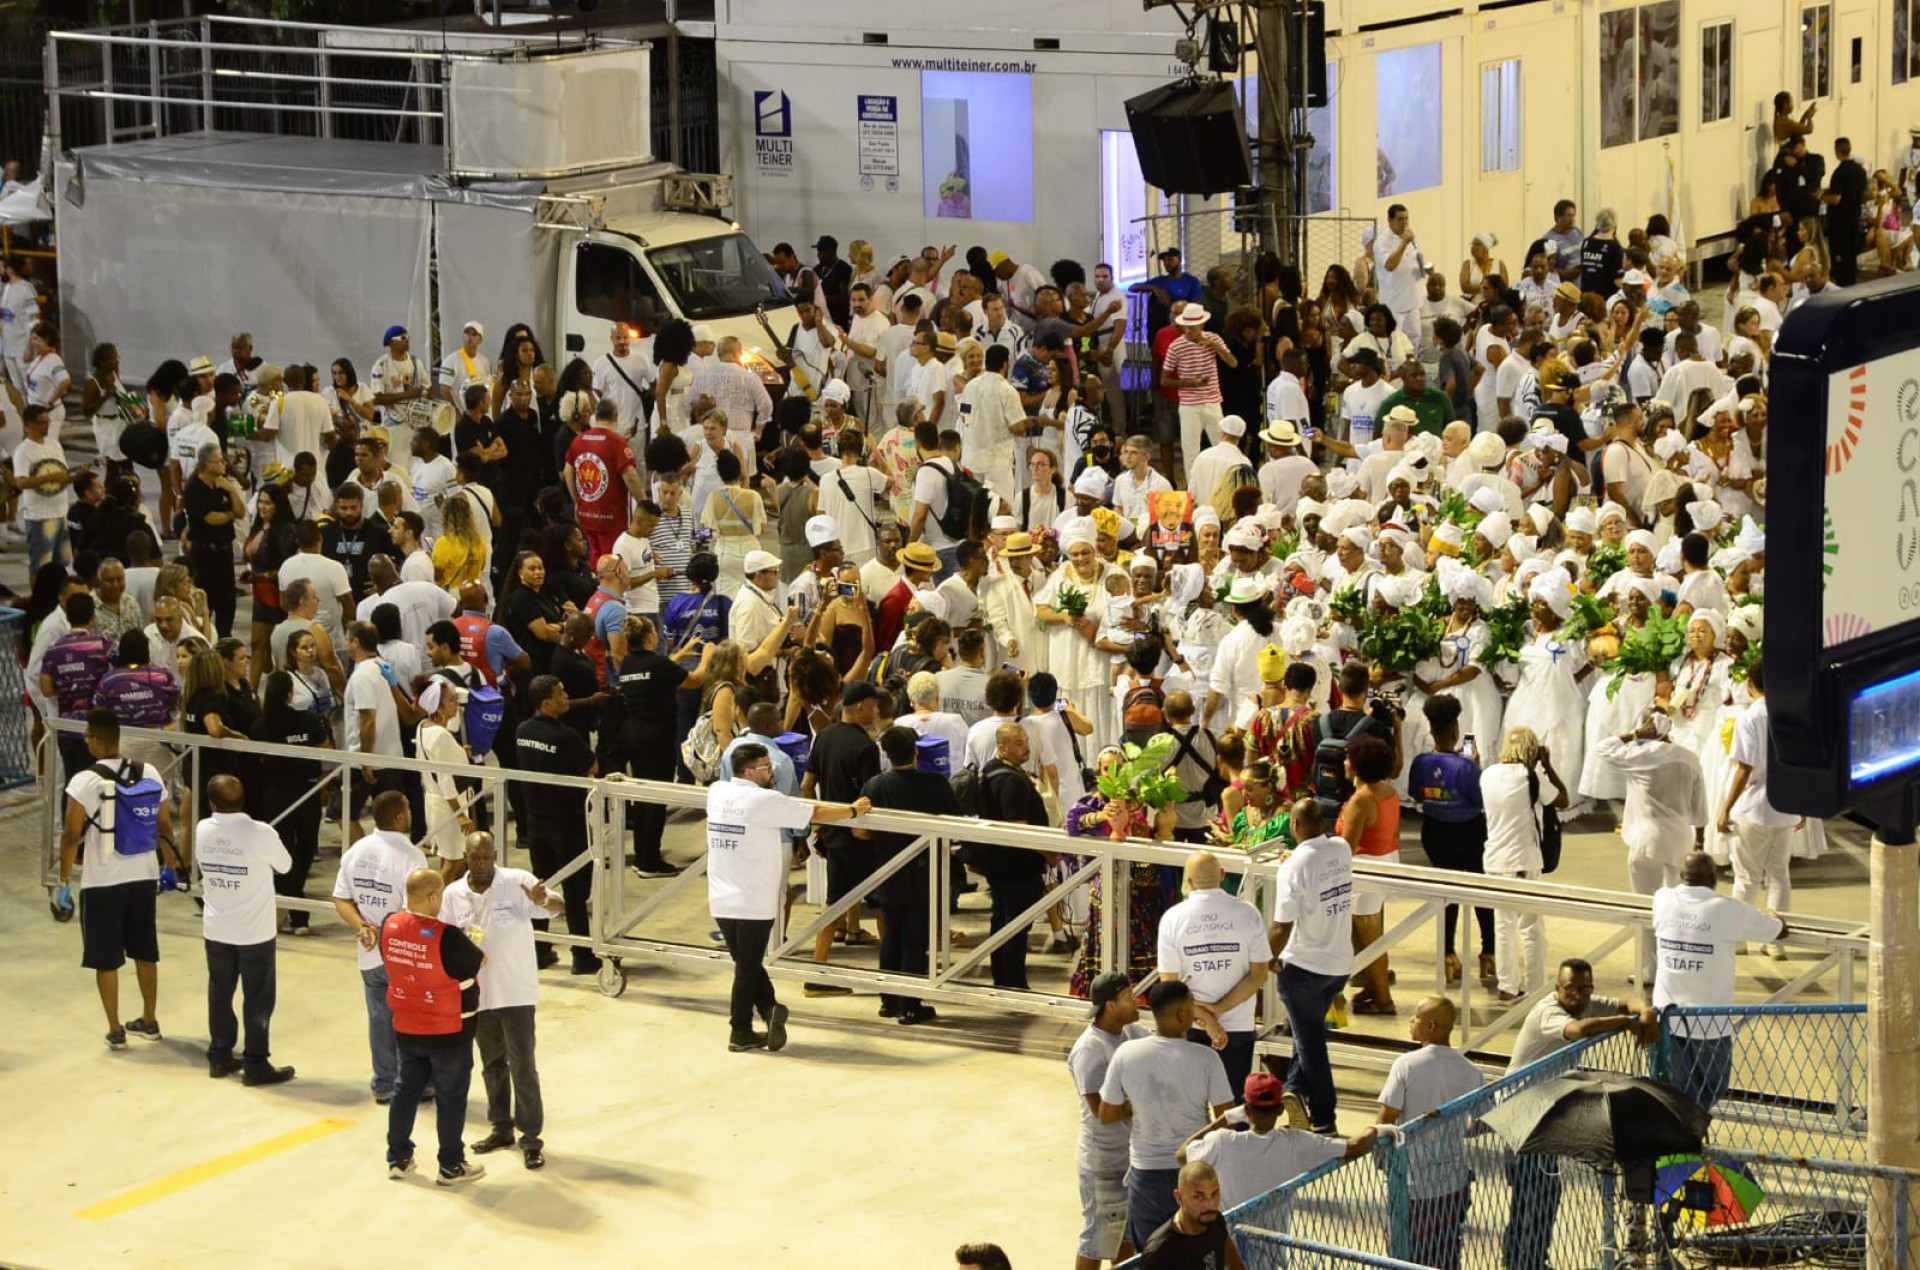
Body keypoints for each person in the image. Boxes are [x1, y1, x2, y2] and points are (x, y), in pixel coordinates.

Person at [705, 742, 870, 1052]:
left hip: (721, 897)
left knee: (746, 962)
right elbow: (815, 811)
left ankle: (770, 1009)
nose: (774, 772)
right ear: (751, 772)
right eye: (767, 767)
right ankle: (739, 1031)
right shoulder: (764, 800)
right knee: (747, 967)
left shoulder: (717, 792)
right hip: (753, 900)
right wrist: (852, 810)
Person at [1503, 959, 1657, 1270]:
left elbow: (1629, 1001)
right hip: (1521, 1114)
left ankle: (1529, 1261)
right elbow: (1578, 1030)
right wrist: (1624, 1023)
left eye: (1585, 989)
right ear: (1557, 987)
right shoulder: (1549, 1012)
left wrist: (1646, 1012)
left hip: (1544, 1112)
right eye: (1570, 988)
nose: (1578, 995)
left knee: (1543, 1194)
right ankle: (1522, 1262)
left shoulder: (1585, 1003)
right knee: (1533, 1195)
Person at [439, 831, 565, 1170]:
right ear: (465, 856)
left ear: (495, 854)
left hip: (516, 992)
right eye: (474, 856)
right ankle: (501, 1127)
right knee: (492, 1064)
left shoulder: (517, 882)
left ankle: (531, 1138)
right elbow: (445, 939)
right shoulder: (453, 894)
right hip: (479, 994)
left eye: (486, 856)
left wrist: (543, 901)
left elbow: (557, 907)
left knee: (523, 1065)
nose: (481, 862)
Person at [58, 709, 181, 1049]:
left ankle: (115, 1028)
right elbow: (165, 826)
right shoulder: (150, 772)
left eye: (87, 736)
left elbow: (70, 834)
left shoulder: (85, 781)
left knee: (105, 957)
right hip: (144, 875)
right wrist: (169, 865)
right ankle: (150, 1019)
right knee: (145, 950)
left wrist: (64, 881)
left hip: (102, 880)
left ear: (96, 740)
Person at [1097, 980, 1235, 1253]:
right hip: (1195, 1172)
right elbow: (1227, 1120)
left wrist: (1142, 1103)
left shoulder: (1127, 1053)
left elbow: (1107, 1113)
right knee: (1200, 1254)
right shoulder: (1206, 1059)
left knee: (1151, 1255)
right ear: (1184, 1016)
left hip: (1145, 1175)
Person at [1653, 852, 1787, 1111]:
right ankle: (1691, 1135)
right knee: (1710, 1087)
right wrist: (1772, 914)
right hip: (1710, 1022)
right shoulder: (1728, 909)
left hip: (1667, 1017)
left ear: (1682, 876)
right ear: (1714, 879)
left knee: (1672, 1092)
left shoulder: (1663, 899)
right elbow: (1779, 931)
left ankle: (1681, 1138)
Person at [381, 867, 488, 1186]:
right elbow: (479, 960)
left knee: (406, 1090)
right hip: (447, 1031)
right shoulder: (447, 936)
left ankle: (398, 1157)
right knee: (451, 1096)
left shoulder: (390, 924)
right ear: (431, 897)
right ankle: (451, 1165)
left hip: (407, 1026)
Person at [1592, 709, 1710, 984]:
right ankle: (1677, 968)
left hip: (1647, 838)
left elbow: (1603, 747)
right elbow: (1700, 810)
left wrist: (1634, 735)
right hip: (1682, 838)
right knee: (1680, 909)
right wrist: (1699, 841)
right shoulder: (1689, 757)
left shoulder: (1640, 755)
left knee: (1647, 908)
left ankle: (1650, 969)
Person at [859, 724, 965, 1025]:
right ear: (916, 751)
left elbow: (860, 830)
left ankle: (888, 999)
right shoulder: (935, 784)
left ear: (887, 754)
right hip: (924, 871)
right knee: (915, 938)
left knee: (892, 933)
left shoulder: (874, 786)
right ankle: (910, 1004)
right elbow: (957, 823)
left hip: (889, 870)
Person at [195, 773, 295, 1085]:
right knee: (258, 997)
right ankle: (255, 1063)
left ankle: (220, 1055)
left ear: (211, 803)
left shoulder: (202, 829)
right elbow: (286, 865)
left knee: (220, 992)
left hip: (217, 926)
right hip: (254, 931)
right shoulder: (260, 833)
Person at [332, 789, 428, 1104]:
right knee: (411, 1018)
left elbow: (341, 898)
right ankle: (413, 1083)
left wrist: (363, 927)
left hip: (369, 954)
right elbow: (412, 911)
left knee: (379, 1019)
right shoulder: (411, 857)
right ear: (400, 818)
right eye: (409, 810)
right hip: (400, 954)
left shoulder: (356, 851)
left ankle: (385, 1082)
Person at [1376, 998, 1484, 1267]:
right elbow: (1486, 1121)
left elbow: (1385, 1122)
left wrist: (1381, 1161)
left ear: (1431, 1026)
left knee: (1405, 1255)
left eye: (1415, 1016)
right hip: (1453, 1184)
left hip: (1412, 1186)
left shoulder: (1406, 1065)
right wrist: (1457, 1128)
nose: (1411, 1021)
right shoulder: (1470, 1071)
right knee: (1445, 1253)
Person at [1267, 798, 1352, 1134]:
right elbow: (1318, 868)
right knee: (1307, 1034)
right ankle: (1293, 1090)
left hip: (1303, 968)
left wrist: (1265, 959)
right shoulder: (1342, 849)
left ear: (1294, 825)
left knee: (1311, 1044)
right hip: (1338, 967)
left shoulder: (1293, 868)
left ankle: (1323, 1116)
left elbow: (1280, 927)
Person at [1157, 851, 1268, 1101]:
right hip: (1238, 1024)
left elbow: (1170, 986)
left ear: (1189, 881)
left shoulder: (1172, 918)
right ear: (1221, 875)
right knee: (1233, 1105)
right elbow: (1260, 974)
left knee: (1190, 1105)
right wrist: (1220, 1010)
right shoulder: (1247, 913)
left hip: (1190, 1023)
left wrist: (1207, 1019)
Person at [1179, 1071, 1375, 1212]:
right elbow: (1356, 1146)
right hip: (1272, 1248)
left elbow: (1181, 1155)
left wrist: (1225, 1119)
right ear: (1281, 1109)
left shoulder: (1222, 1142)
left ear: (1246, 1110)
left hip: (1230, 1247)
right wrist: (1378, 1129)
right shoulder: (1297, 1143)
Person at [513, 674, 599, 975]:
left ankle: (539, 949)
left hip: (536, 821)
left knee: (542, 887)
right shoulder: (566, 736)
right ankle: (582, 955)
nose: (567, 697)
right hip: (567, 822)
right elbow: (592, 766)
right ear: (546, 703)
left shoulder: (522, 731)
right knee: (575, 891)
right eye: (561, 694)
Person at [1407, 693, 1494, 986]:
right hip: (1470, 832)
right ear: (1456, 729)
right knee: (1481, 892)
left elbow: (1417, 794)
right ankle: (1489, 954)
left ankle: (1447, 955)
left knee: (1447, 894)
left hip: (1435, 832)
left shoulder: (1421, 762)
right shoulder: (1467, 766)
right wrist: (1472, 766)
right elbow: (1479, 800)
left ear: (1431, 729)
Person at [802, 681, 885, 989]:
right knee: (882, 905)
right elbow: (869, 798)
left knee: (833, 904)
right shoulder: (865, 747)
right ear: (862, 707)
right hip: (860, 839)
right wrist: (870, 837)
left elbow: (807, 786)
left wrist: (818, 829)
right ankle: (891, 977)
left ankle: (815, 975)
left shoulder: (823, 736)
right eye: (874, 706)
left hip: (833, 835)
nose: (876, 713)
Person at [1068, 971, 1151, 1270]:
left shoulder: (1133, 1033)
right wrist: (1143, 1100)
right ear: (1111, 1006)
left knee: (1126, 1236)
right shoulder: (1090, 1050)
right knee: (1098, 1238)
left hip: (1130, 1158)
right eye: (1129, 997)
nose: (1136, 1001)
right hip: (1103, 1163)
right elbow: (1103, 1112)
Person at [1715, 661, 1799, 958]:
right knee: (1779, 875)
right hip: (1786, 805)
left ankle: (1738, 939)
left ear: (1750, 684)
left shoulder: (1750, 717)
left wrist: (1726, 807)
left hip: (1753, 807)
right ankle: (1775, 942)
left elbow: (1744, 768)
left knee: (1747, 877)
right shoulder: (1792, 713)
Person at [1480, 726, 1567, 1000]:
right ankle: (1538, 986)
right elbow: (1563, 799)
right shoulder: (1531, 778)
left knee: (1502, 925)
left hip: (1494, 859)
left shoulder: (1488, 775)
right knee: (1531, 928)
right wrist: (1548, 764)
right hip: (1524, 859)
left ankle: (1507, 985)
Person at [971, 720, 1055, 990]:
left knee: (1003, 922)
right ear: (1002, 748)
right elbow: (1018, 827)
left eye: (1027, 742)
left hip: (1001, 865)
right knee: (1015, 927)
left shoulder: (993, 770)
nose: (1026, 748)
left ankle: (1004, 979)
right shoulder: (1010, 780)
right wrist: (1049, 853)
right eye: (1019, 744)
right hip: (1017, 868)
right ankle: (1015, 983)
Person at [1136, 1160, 1246, 1270]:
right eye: (1199, 1197)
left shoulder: (1214, 1220)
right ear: (1179, 1197)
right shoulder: (1160, 1252)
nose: (1210, 1204)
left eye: (1214, 1194)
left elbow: (1233, 1259)